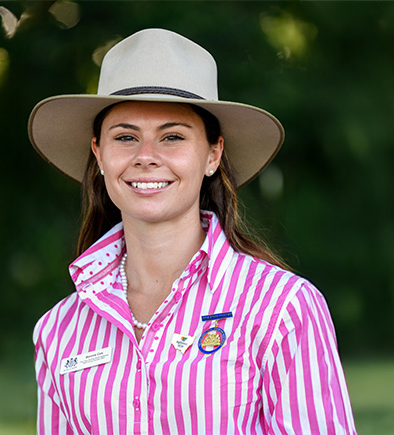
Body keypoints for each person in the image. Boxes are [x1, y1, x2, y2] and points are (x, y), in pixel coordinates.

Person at [29, 28, 357, 434]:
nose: (146, 157)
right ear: (98, 154)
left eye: (172, 137)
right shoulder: (59, 330)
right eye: (126, 137)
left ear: (212, 155)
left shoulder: (282, 309)